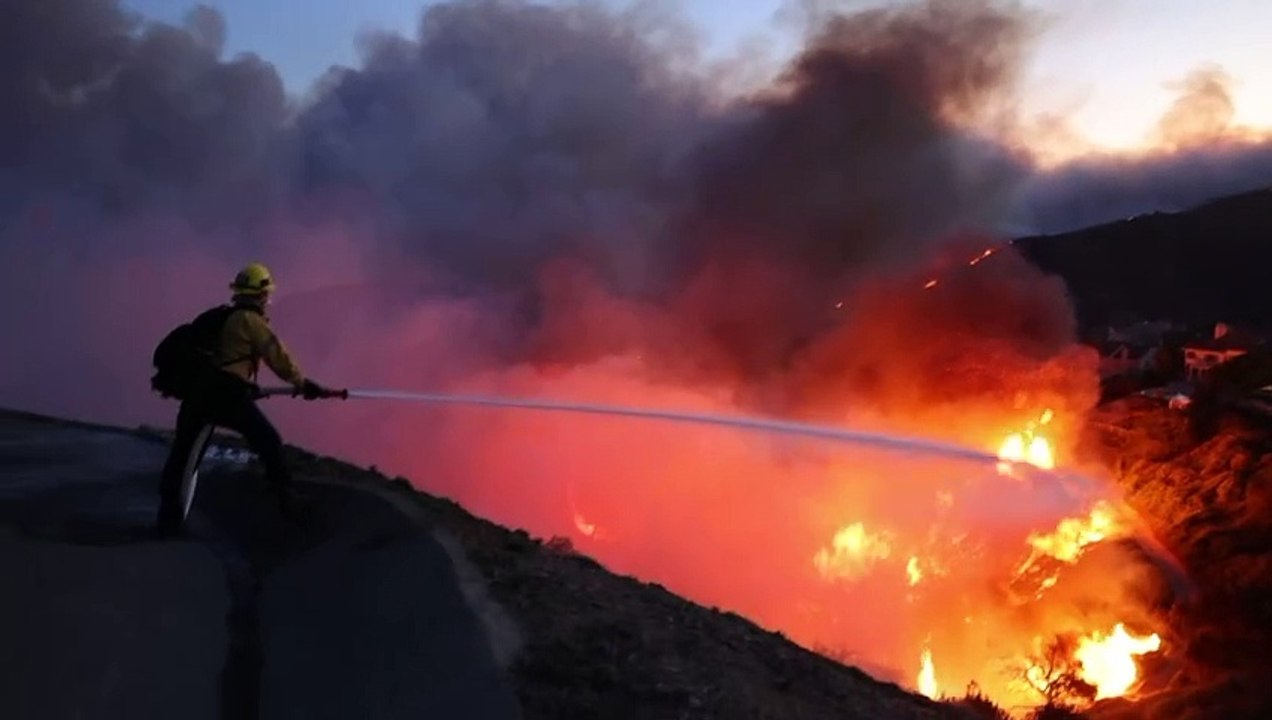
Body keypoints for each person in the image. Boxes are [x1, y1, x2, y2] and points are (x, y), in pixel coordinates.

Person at [156, 262, 335, 538]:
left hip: (199, 393)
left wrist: (249, 386)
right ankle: (289, 503)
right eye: (267, 295)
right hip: (226, 395)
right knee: (268, 441)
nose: (268, 301)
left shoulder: (224, 318)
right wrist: (303, 383)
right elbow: (277, 355)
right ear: (262, 295)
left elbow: (226, 361)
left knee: (184, 456)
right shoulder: (250, 321)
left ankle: (168, 521)